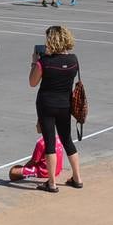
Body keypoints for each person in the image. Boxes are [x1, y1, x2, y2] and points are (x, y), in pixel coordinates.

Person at [28, 25, 83, 192]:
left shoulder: (44, 62)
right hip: (65, 105)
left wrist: (34, 62)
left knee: (50, 142)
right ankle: (77, 178)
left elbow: (32, 82)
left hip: (46, 105)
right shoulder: (74, 60)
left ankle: (51, 183)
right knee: (67, 140)